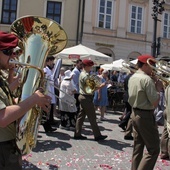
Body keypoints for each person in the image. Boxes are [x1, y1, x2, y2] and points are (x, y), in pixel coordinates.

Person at [0, 31, 51, 169]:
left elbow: (6, 102)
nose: (13, 55)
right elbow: (3, 118)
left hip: (7, 146)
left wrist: (33, 101)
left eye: (13, 51)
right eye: (7, 51)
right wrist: (33, 99)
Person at [128, 54, 163, 170]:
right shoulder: (147, 80)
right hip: (145, 115)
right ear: (144, 65)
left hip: (135, 113)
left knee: (138, 147)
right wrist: (157, 89)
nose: (153, 69)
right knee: (153, 150)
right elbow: (154, 103)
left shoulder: (133, 76)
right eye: (151, 65)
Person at [74, 59, 108, 141]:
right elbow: (90, 89)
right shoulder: (85, 75)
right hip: (86, 97)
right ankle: (97, 135)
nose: (91, 68)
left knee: (81, 117)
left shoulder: (83, 73)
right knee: (92, 117)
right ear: (86, 66)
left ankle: (77, 133)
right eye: (90, 66)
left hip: (83, 96)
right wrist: (102, 85)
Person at [118, 67, 134, 140]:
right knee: (130, 112)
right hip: (130, 96)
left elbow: (125, 87)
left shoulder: (127, 77)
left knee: (128, 111)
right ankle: (123, 123)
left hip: (126, 95)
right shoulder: (132, 77)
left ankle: (124, 123)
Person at [42, 56, 57, 132]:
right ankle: (47, 127)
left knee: (46, 111)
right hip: (47, 92)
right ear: (48, 61)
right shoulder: (45, 70)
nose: (52, 63)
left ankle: (48, 126)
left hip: (50, 91)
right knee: (45, 111)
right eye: (52, 61)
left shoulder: (49, 70)